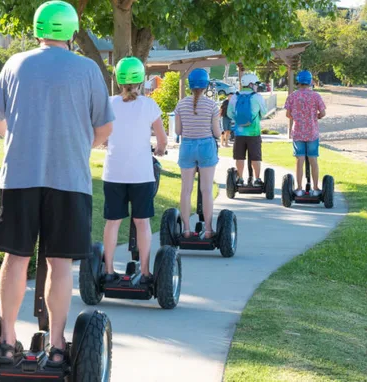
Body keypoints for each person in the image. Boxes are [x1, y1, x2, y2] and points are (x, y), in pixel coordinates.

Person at [0, 0, 113, 369]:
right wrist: (75, 146)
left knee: (16, 257)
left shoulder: (15, 64)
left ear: (38, 29)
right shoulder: (88, 70)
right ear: (72, 31)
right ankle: (57, 346)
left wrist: (19, 138)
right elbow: (104, 129)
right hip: (69, 180)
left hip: (20, 178)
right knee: (59, 264)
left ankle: (7, 342)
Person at [102, 57, 166, 281]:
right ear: (141, 79)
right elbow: (162, 139)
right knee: (142, 222)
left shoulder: (109, 103)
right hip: (141, 174)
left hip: (114, 173)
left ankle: (108, 271)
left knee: (113, 222)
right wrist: (159, 150)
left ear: (118, 79)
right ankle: (146, 271)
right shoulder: (149, 105)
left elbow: (103, 135)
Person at [175, 68, 222, 238]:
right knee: (206, 190)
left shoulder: (181, 104)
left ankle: (186, 229)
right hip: (206, 147)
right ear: (205, 85)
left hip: (187, 146)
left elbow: (178, 130)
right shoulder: (212, 105)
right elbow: (217, 133)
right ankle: (208, 230)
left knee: (186, 190)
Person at [284, 69, 326, 197]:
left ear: (298, 82)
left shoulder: (293, 96)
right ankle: (315, 188)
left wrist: (298, 117)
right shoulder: (316, 96)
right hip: (312, 132)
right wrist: (316, 116)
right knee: (313, 159)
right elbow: (323, 113)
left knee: (300, 160)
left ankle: (299, 188)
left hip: (298, 132)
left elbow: (288, 114)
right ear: (310, 82)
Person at [228, 73, 268, 186]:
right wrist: (257, 116)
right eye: (255, 84)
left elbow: (229, 113)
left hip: (239, 133)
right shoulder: (257, 97)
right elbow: (264, 113)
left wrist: (239, 120)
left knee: (239, 156)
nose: (256, 86)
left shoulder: (235, 97)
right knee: (255, 157)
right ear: (251, 84)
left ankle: (240, 179)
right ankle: (257, 179)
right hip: (254, 132)